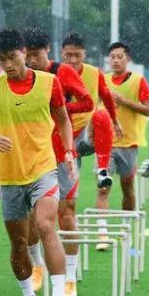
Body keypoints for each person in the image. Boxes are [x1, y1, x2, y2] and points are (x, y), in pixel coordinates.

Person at [0, 29, 76, 296]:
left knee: (46, 225)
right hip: (8, 175)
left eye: (13, 57)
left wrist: (68, 153)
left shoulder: (48, 83)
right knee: (19, 242)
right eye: (2, 60)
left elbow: (63, 120)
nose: (8, 65)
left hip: (43, 168)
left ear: (24, 53)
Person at [22, 28, 94, 296]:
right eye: (26, 56)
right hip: (33, 154)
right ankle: (38, 265)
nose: (31, 62)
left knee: (66, 213)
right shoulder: (21, 78)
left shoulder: (62, 73)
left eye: (36, 56)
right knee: (33, 218)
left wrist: (57, 109)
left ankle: (70, 274)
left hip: (62, 153)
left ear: (48, 51)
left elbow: (86, 101)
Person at [60, 33, 122, 191]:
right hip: (62, 137)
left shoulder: (94, 73)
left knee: (101, 115)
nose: (73, 60)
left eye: (77, 55)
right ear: (62, 54)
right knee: (66, 199)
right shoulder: (53, 74)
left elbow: (106, 97)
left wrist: (115, 121)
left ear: (84, 54)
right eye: (68, 55)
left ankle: (102, 170)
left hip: (87, 133)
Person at [106, 42, 149, 211]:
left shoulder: (138, 81)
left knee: (127, 188)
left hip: (128, 143)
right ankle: (102, 230)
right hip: (107, 143)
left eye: (120, 57)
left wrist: (124, 102)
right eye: (112, 57)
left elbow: (148, 110)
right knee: (103, 186)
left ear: (128, 59)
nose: (116, 61)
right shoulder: (103, 81)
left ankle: (128, 224)